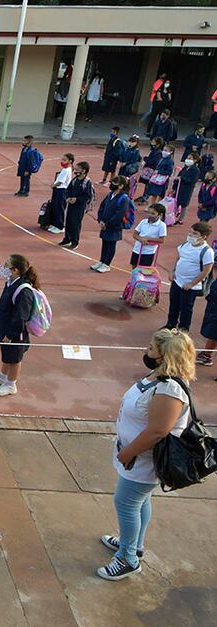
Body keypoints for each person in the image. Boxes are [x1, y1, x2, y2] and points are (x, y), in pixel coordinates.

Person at [97, 329, 194, 580]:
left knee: (126, 503)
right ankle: (133, 544)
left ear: (164, 356)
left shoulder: (169, 390)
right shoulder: (158, 378)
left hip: (143, 461)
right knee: (140, 501)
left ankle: (127, 558)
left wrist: (128, 453)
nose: (146, 351)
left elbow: (157, 431)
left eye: (151, 348)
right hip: (136, 458)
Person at [0, 254, 40, 397]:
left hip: (15, 332)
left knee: (15, 358)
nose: (3, 268)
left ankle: (11, 384)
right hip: (5, 327)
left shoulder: (24, 290)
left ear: (15, 270)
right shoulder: (10, 282)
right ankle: (2, 376)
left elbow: (21, 317)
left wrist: (10, 335)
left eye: (6, 265)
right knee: (7, 353)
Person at [166, 221, 214, 331]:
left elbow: (206, 271)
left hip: (190, 286)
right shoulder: (185, 245)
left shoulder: (207, 251)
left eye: (195, 234)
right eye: (191, 232)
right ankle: (170, 324)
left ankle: (183, 329)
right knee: (174, 304)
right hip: (177, 281)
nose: (191, 235)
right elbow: (179, 258)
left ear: (203, 237)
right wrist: (172, 271)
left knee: (186, 308)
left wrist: (192, 283)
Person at [91, 176, 131, 273]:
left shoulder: (124, 199)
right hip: (104, 224)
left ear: (121, 186)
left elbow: (119, 214)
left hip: (114, 226)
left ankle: (107, 264)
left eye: (114, 183)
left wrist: (107, 223)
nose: (112, 184)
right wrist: (100, 220)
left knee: (111, 244)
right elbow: (102, 207)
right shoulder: (110, 194)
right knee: (105, 243)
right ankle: (102, 261)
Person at [61, 161, 95, 250]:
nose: (75, 171)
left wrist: (77, 199)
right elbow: (68, 190)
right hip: (71, 204)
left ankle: (74, 242)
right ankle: (67, 239)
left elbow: (87, 196)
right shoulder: (75, 180)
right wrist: (68, 197)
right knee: (68, 221)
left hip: (79, 206)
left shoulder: (87, 182)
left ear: (84, 171)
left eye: (77, 169)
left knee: (75, 223)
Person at [43, 153, 73, 234]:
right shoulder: (65, 169)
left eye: (64, 160)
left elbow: (60, 182)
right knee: (55, 207)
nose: (62, 161)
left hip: (61, 191)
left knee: (59, 208)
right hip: (58, 190)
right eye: (62, 159)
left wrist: (53, 185)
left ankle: (60, 226)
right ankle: (55, 224)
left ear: (70, 161)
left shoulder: (66, 170)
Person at [130, 203, 167, 268]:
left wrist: (147, 239)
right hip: (137, 249)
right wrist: (140, 239)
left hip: (148, 252)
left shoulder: (162, 225)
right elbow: (135, 234)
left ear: (160, 215)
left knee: (144, 269)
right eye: (148, 213)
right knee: (134, 267)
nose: (150, 215)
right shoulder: (143, 222)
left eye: (153, 214)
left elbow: (162, 240)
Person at [173, 154, 200, 224]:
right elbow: (178, 177)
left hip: (187, 189)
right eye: (187, 158)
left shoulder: (196, 170)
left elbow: (192, 180)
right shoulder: (185, 168)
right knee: (176, 202)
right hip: (179, 188)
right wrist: (174, 187)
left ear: (195, 160)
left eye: (190, 158)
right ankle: (173, 216)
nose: (187, 160)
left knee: (184, 204)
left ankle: (180, 219)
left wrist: (182, 178)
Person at [136, 137, 164, 204]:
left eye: (153, 142)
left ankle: (145, 198)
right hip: (148, 170)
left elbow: (154, 162)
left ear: (158, 144)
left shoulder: (158, 153)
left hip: (151, 171)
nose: (151, 143)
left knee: (149, 184)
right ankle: (144, 196)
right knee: (146, 183)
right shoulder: (154, 151)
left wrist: (146, 159)